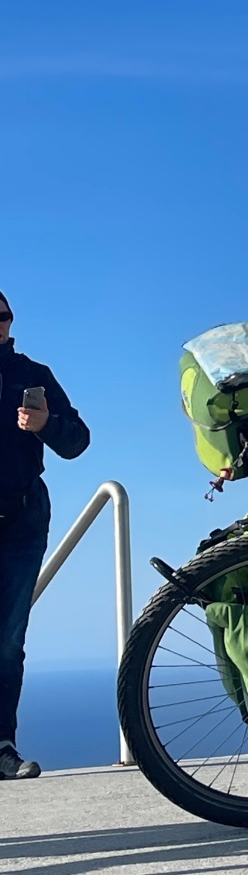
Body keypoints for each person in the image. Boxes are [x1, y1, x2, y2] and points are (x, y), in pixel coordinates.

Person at [0, 290, 90, 780]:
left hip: (22, 520)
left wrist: (45, 424)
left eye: (3, 315)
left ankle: (1, 746)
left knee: (7, 643)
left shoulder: (34, 375)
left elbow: (78, 441)